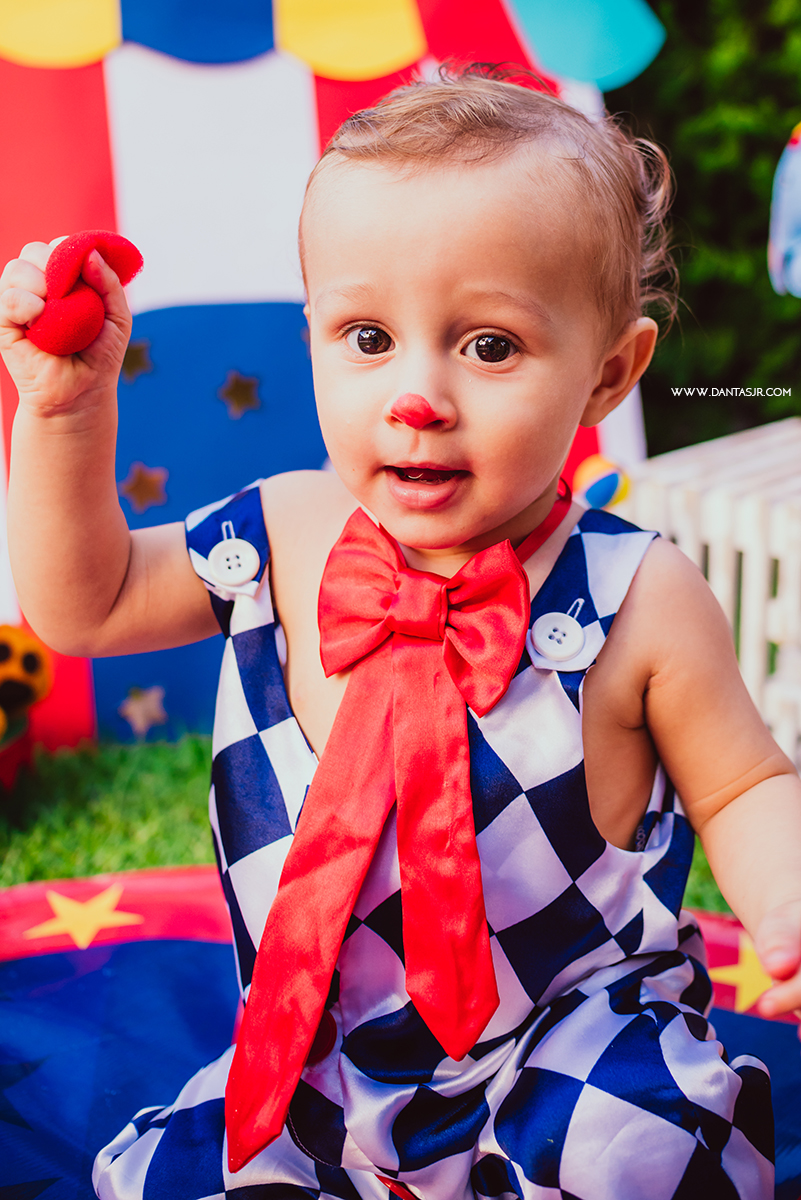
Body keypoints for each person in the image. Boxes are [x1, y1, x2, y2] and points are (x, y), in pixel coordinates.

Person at [1, 69, 799, 1200]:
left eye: (488, 347)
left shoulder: (635, 593)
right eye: (368, 335)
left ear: (607, 372)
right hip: (317, 1056)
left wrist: (783, 893)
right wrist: (65, 414)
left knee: (629, 1152)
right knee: (201, 1175)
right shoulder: (280, 531)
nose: (416, 395)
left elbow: (742, 787)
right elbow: (85, 603)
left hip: (563, 1042)